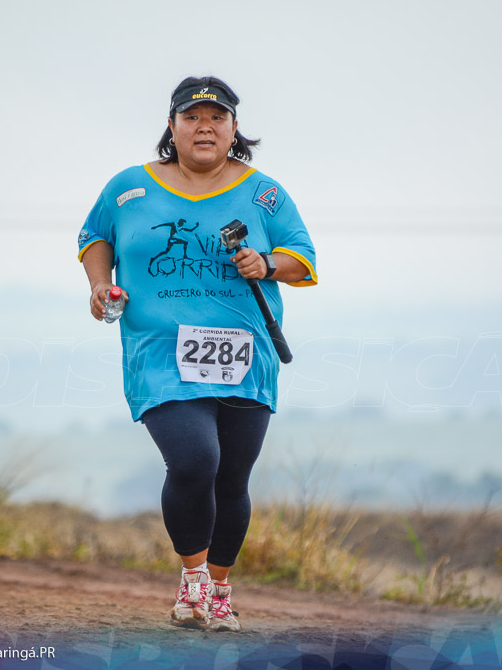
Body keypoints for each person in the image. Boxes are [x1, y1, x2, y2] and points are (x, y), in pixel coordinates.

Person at [77, 76, 316, 631]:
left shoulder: (265, 194)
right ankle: (194, 578)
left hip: (244, 351)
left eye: (217, 118)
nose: (204, 127)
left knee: (231, 477)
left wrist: (266, 262)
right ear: (172, 126)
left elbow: (302, 257)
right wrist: (98, 284)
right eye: (192, 117)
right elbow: (95, 237)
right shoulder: (129, 187)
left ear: (235, 129)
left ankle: (220, 591)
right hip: (159, 349)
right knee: (193, 461)